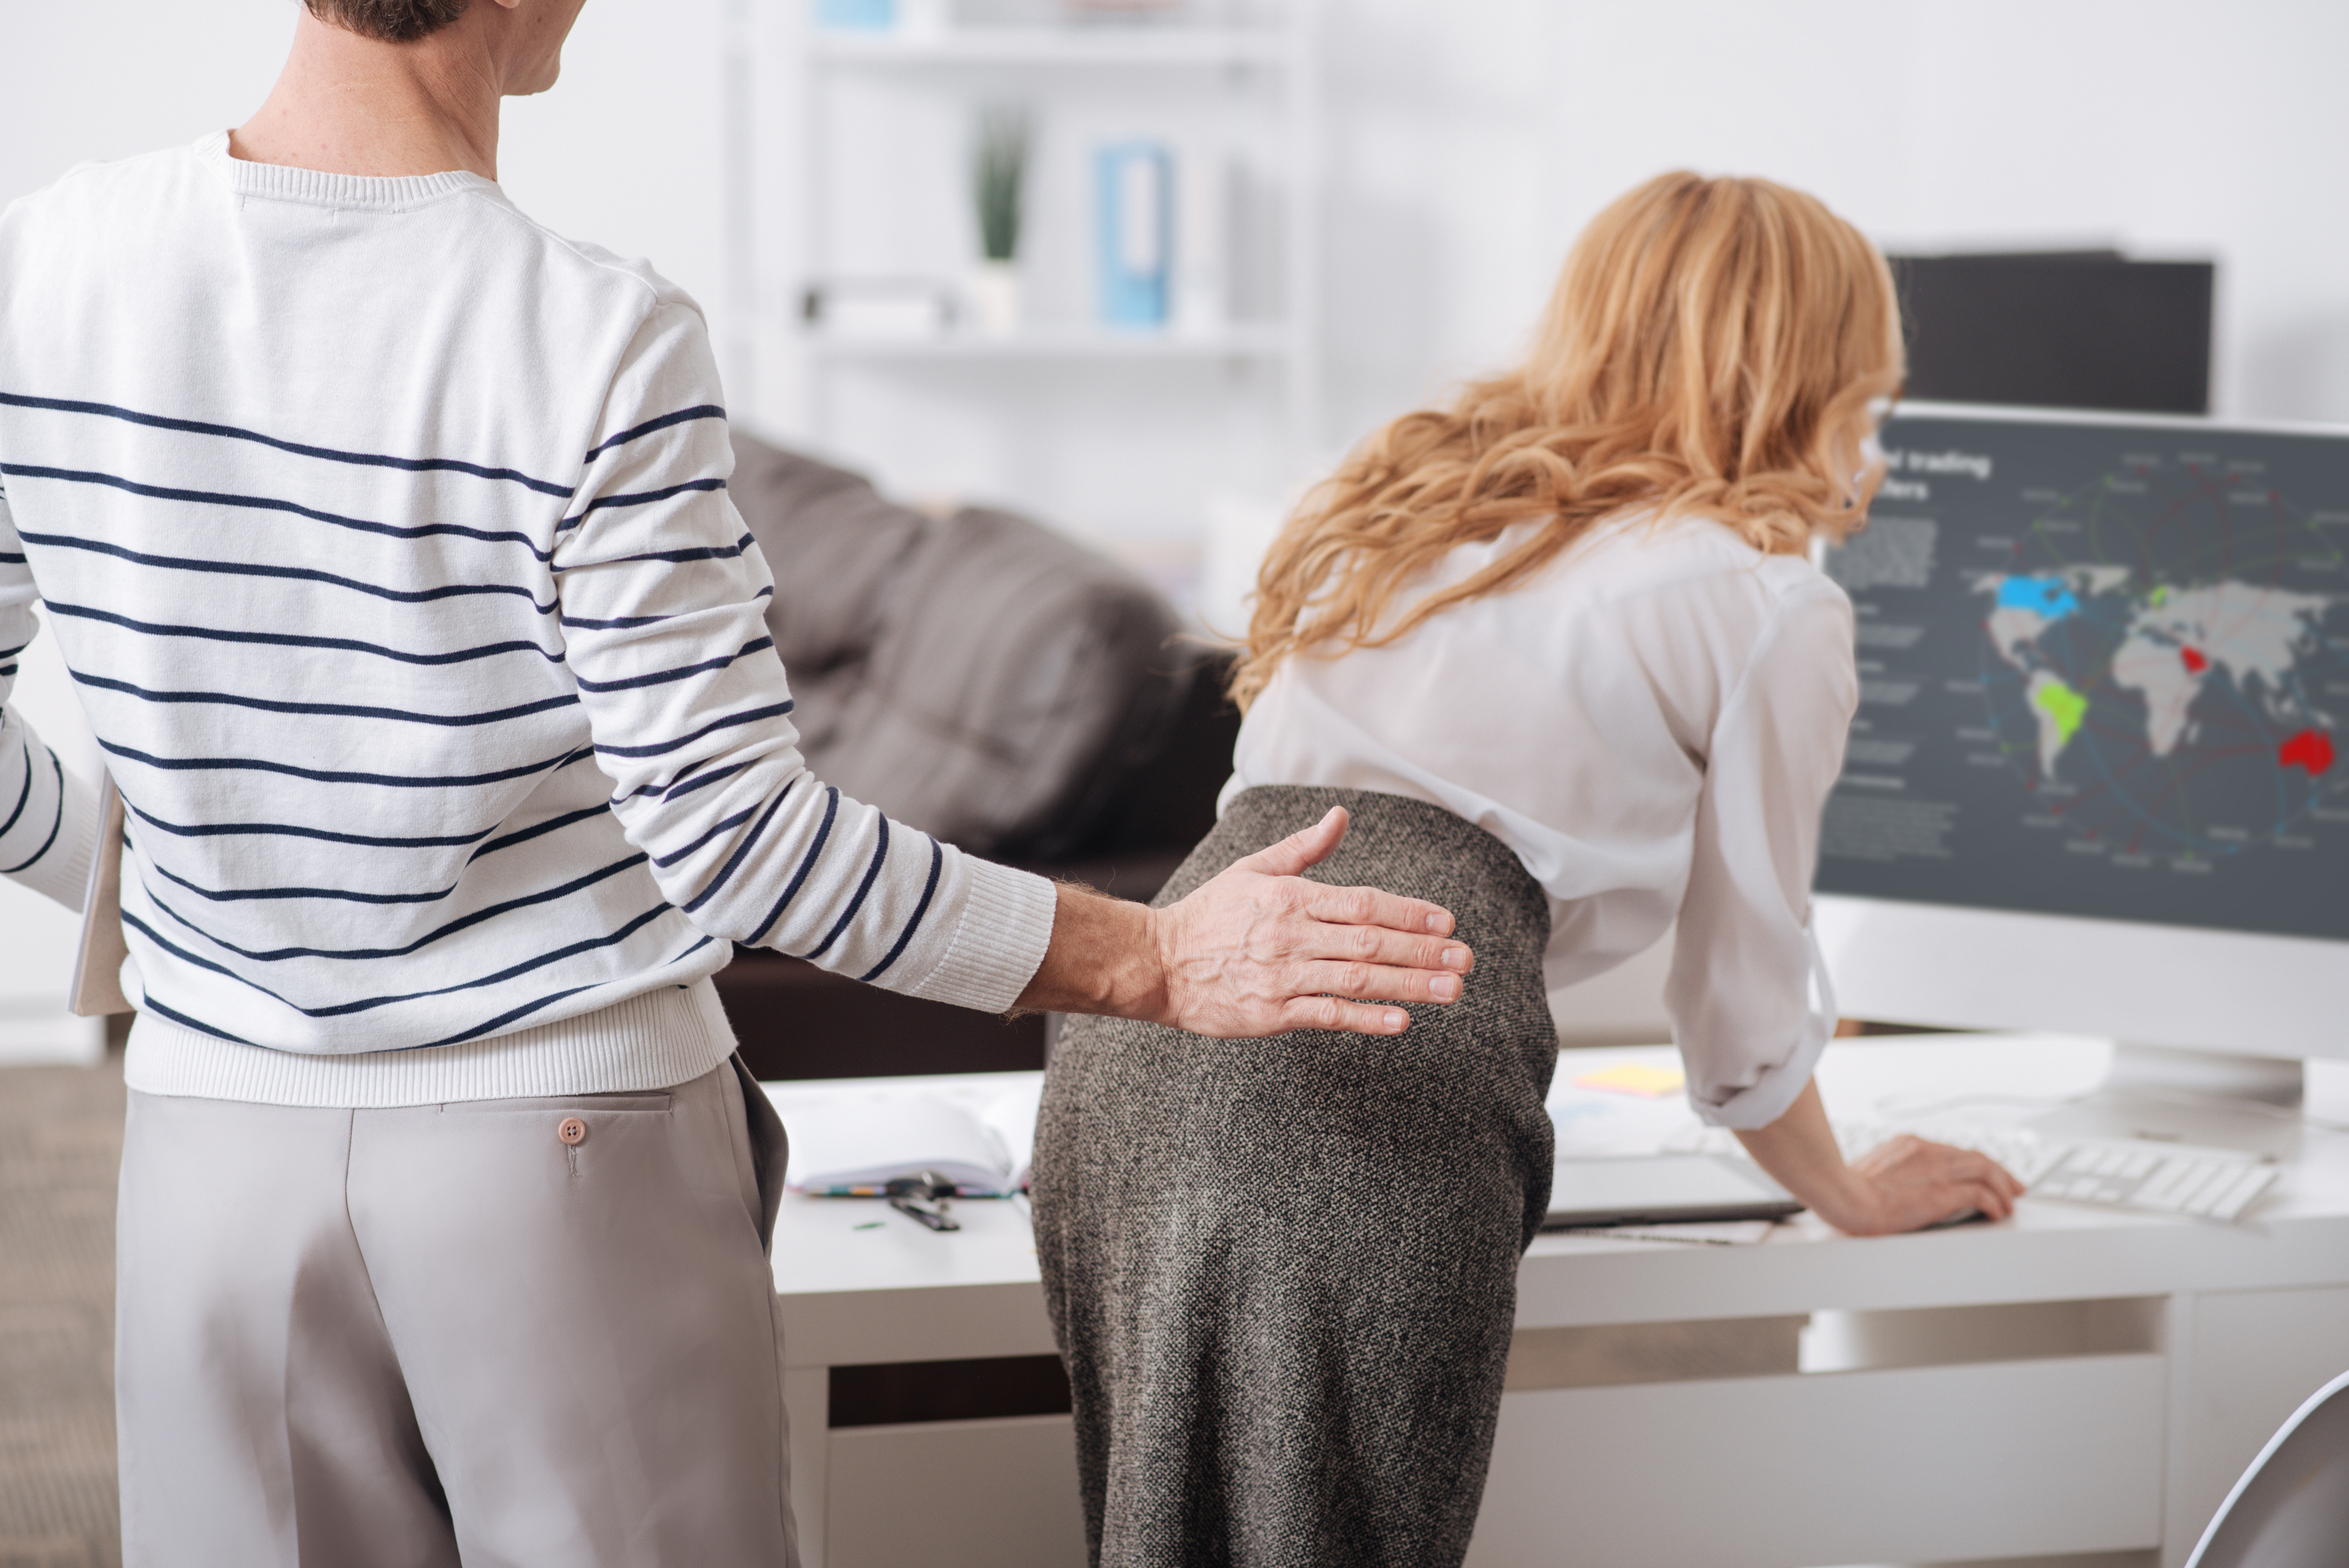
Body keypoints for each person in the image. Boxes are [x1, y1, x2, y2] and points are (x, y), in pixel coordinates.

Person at [0, 2, 1481, 1562]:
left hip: (208, 1153)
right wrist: (1157, 953)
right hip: (558, 1149)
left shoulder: (47, 266)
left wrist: (148, 869)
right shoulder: (590, 331)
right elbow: (737, 839)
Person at [1031, 172, 2028, 1568]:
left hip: (1138, 1050)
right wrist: (1846, 1191)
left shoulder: (1412, 510)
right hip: (1373, 1073)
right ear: (1815, 372)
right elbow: (1740, 1006)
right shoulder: (1765, 600)